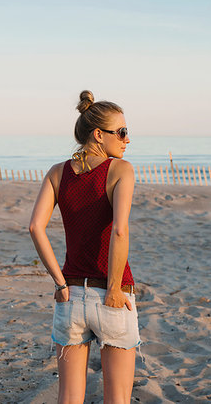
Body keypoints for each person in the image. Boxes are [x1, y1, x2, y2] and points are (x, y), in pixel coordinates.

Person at [29, 90, 143, 403]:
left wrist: (60, 282)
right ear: (98, 134)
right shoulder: (121, 170)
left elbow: (35, 227)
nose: (127, 139)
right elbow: (120, 230)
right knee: (117, 398)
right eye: (121, 132)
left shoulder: (57, 172)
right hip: (112, 295)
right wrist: (116, 289)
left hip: (71, 295)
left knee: (68, 398)